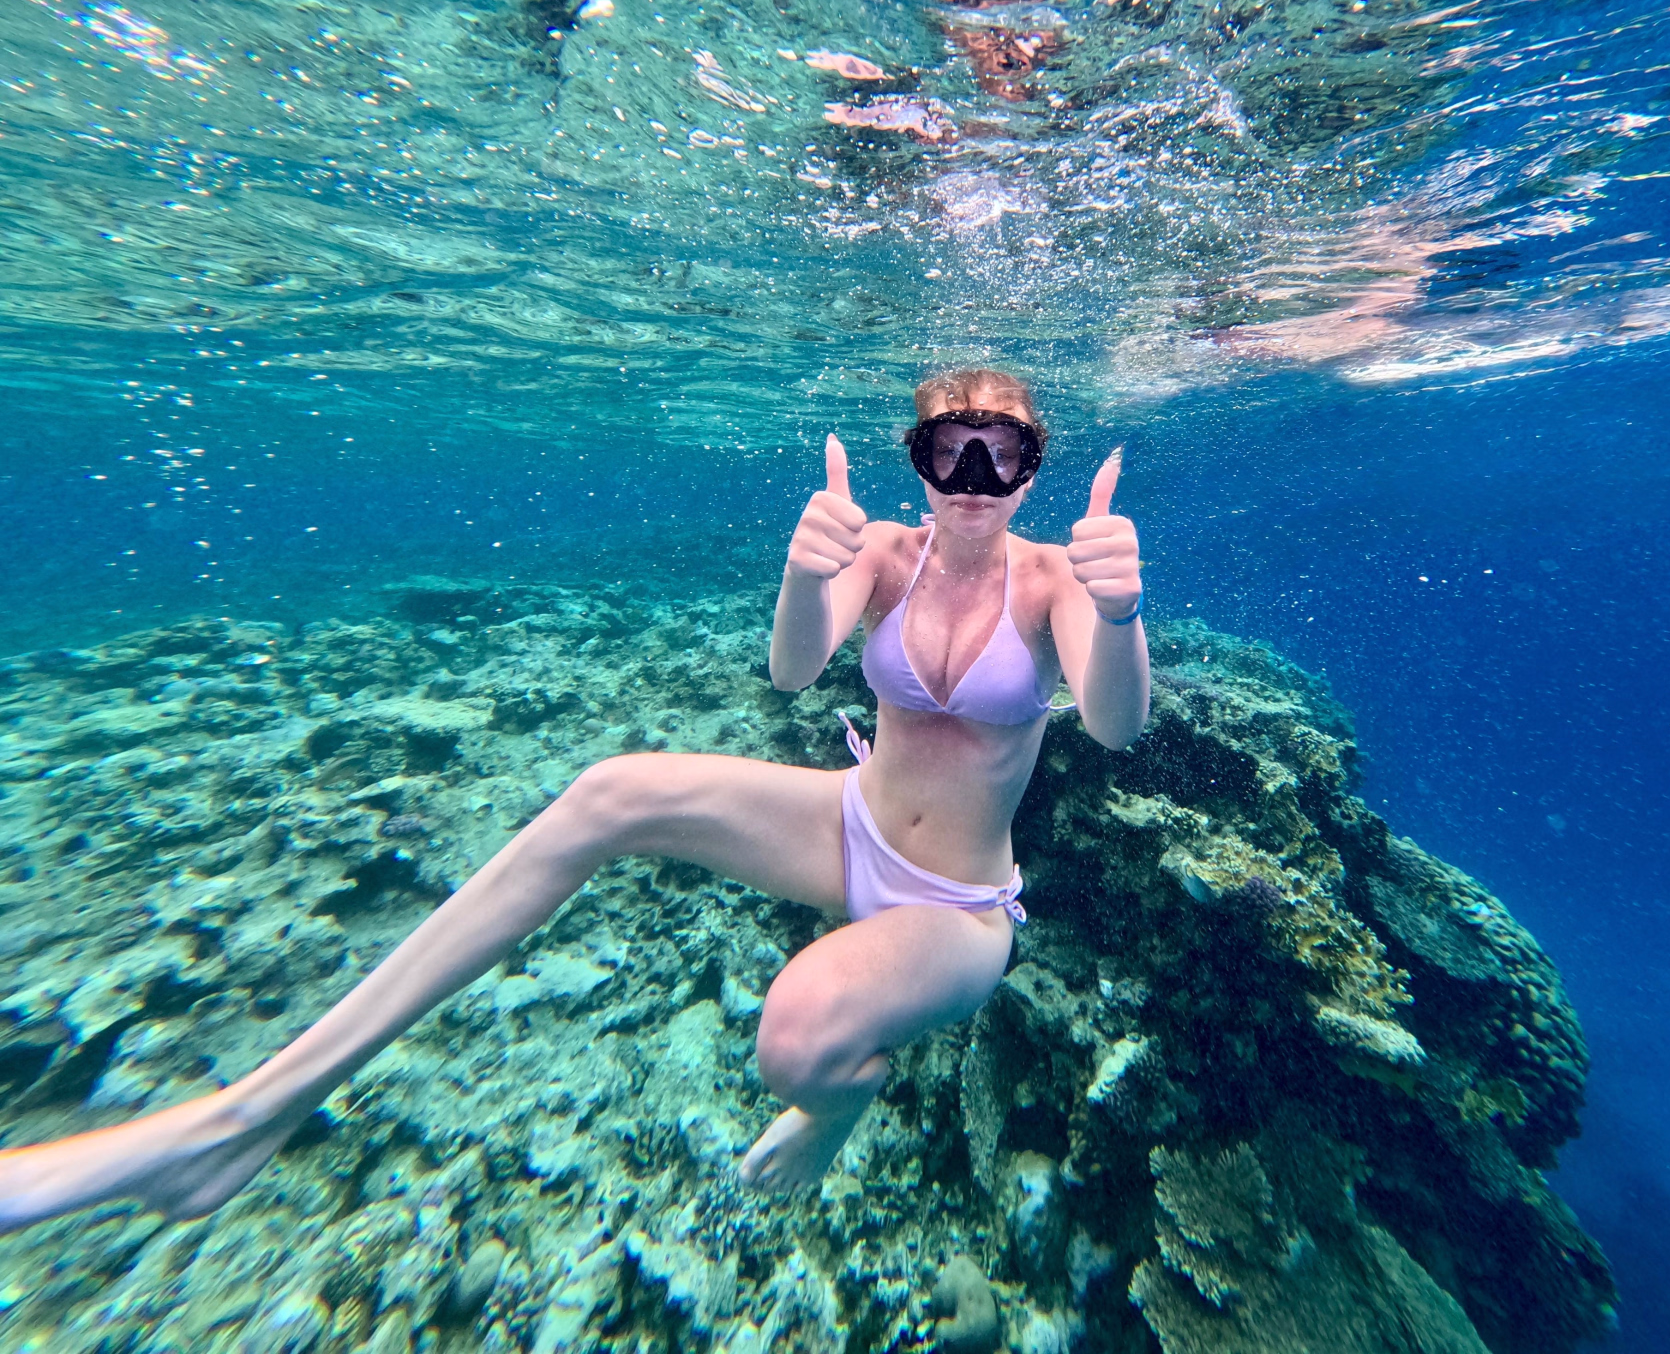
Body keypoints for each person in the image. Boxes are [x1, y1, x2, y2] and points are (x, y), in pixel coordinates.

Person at [0, 367, 1148, 1230]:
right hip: (847, 826)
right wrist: (804, 574)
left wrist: (1126, 614)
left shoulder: (1055, 580)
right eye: (954, 452)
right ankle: (244, 1115)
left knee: (797, 1043)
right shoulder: (884, 550)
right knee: (609, 793)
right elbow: (795, 670)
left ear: (1035, 465)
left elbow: (1113, 722)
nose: (976, 483)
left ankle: (836, 1105)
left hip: (956, 910)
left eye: (1001, 455)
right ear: (920, 459)